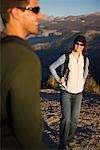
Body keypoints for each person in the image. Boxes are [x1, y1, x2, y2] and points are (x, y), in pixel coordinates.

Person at [1, 0, 46, 149]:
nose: (41, 16)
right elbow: (28, 133)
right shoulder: (23, 58)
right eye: (35, 10)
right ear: (15, 12)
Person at [49, 35, 89, 149]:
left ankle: (70, 138)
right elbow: (52, 67)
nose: (79, 46)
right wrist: (59, 80)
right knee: (66, 118)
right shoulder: (66, 57)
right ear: (74, 44)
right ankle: (62, 143)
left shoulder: (85, 59)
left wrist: (82, 82)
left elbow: (85, 73)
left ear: (84, 46)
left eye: (81, 44)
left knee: (75, 119)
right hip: (66, 91)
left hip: (78, 93)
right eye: (77, 43)